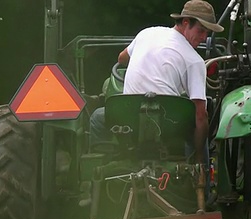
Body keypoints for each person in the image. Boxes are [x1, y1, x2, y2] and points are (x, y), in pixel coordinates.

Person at [89, 0, 224, 165]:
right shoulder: (194, 61)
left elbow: (121, 58)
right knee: (201, 125)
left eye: (207, 33)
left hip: (126, 118)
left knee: (97, 117)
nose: (204, 38)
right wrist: (199, 159)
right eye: (201, 31)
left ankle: (98, 173)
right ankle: (198, 178)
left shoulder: (147, 33)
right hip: (169, 124)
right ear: (186, 22)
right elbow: (200, 116)